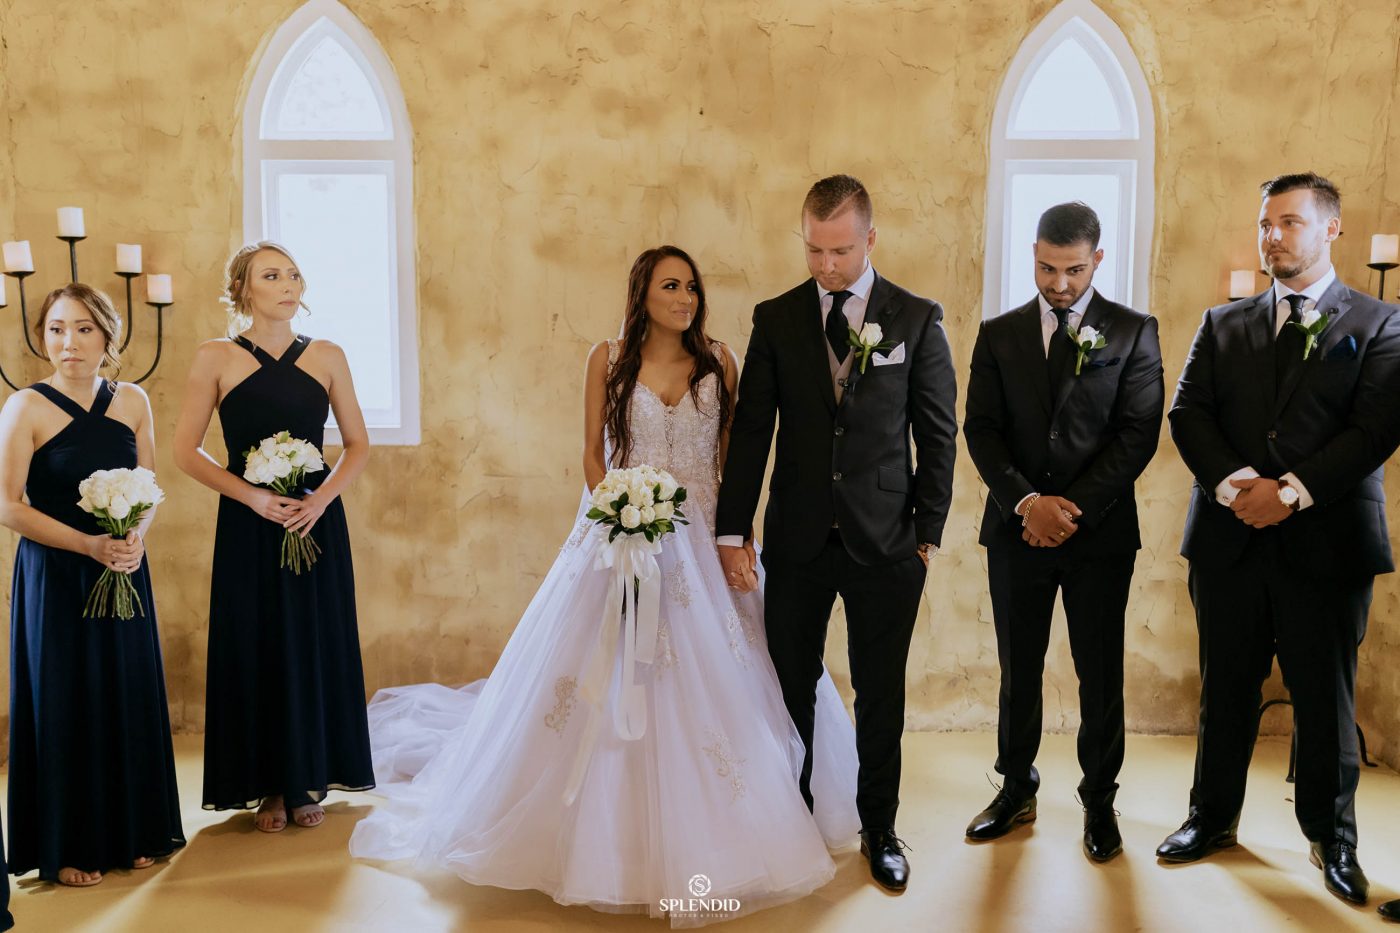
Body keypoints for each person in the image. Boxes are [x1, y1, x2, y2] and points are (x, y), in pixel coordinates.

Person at [350, 246, 860, 926]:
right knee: (604, 675)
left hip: (706, 537)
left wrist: (736, 536)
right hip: (624, 531)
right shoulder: (607, 357)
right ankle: (604, 844)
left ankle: (755, 820)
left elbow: (733, 457)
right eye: (670, 286)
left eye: (691, 287)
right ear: (642, 293)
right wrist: (619, 515)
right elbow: (593, 452)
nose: (685, 298)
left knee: (745, 671)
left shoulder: (721, 359)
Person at [1161, 172, 1400, 905]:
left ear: (1331, 229)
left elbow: (1375, 429)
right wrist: (1239, 488)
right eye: (1265, 223)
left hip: (1327, 544)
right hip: (1229, 538)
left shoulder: (1380, 323)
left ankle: (1333, 839)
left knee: (1325, 699)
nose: (1272, 236)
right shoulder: (1222, 322)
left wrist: (1289, 492)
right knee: (1225, 688)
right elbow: (1188, 413)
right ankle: (1211, 818)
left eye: (1289, 222)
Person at [715, 174, 959, 891]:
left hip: (888, 544)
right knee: (789, 684)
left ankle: (879, 828)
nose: (826, 265)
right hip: (796, 542)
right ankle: (793, 819)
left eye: (841, 251)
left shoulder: (917, 318)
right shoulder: (775, 318)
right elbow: (752, 431)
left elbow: (937, 434)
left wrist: (926, 535)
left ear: (870, 239)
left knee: (881, 693)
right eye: (814, 250)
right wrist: (732, 531)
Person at [963, 202, 1163, 861]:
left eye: (1073, 269)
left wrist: (1069, 509)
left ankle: (1099, 800)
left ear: (1097, 259)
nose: (1059, 283)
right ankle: (1015, 787)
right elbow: (981, 429)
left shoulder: (1133, 331)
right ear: (1034, 254)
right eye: (1047, 268)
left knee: (1099, 673)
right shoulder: (998, 334)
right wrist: (1027, 503)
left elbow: (1137, 435)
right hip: (1015, 531)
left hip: (1099, 537)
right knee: (1017, 668)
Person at [173, 241, 373, 831]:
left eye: (293, 275)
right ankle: (268, 788)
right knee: (255, 640)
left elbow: (357, 444)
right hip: (248, 523)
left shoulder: (328, 355)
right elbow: (186, 451)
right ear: (242, 288)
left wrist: (320, 501)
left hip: (314, 518)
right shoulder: (215, 357)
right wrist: (253, 497)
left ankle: (308, 779)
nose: (288, 285)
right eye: (271, 275)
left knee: (312, 640)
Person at [0, 284, 183, 886]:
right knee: (65, 699)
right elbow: (6, 505)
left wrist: (133, 539)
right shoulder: (25, 406)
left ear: (108, 336)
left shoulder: (133, 400)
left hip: (123, 567)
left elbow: (149, 487)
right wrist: (88, 545)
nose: (68, 342)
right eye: (56, 329)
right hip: (57, 574)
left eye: (82, 329)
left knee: (125, 692)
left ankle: (134, 831)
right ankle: (67, 846)